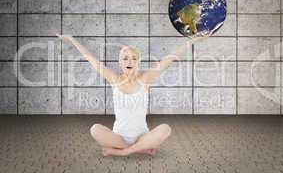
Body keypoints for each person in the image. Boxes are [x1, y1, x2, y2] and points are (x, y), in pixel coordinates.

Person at [56, 32, 211, 156]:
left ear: (138, 62)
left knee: (166, 129)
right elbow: (92, 60)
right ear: (120, 63)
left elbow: (169, 58)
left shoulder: (145, 79)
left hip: (142, 137)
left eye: (133, 58)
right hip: (118, 138)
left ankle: (124, 152)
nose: (129, 61)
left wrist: (193, 40)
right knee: (94, 129)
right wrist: (72, 40)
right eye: (125, 58)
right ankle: (139, 149)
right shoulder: (114, 79)